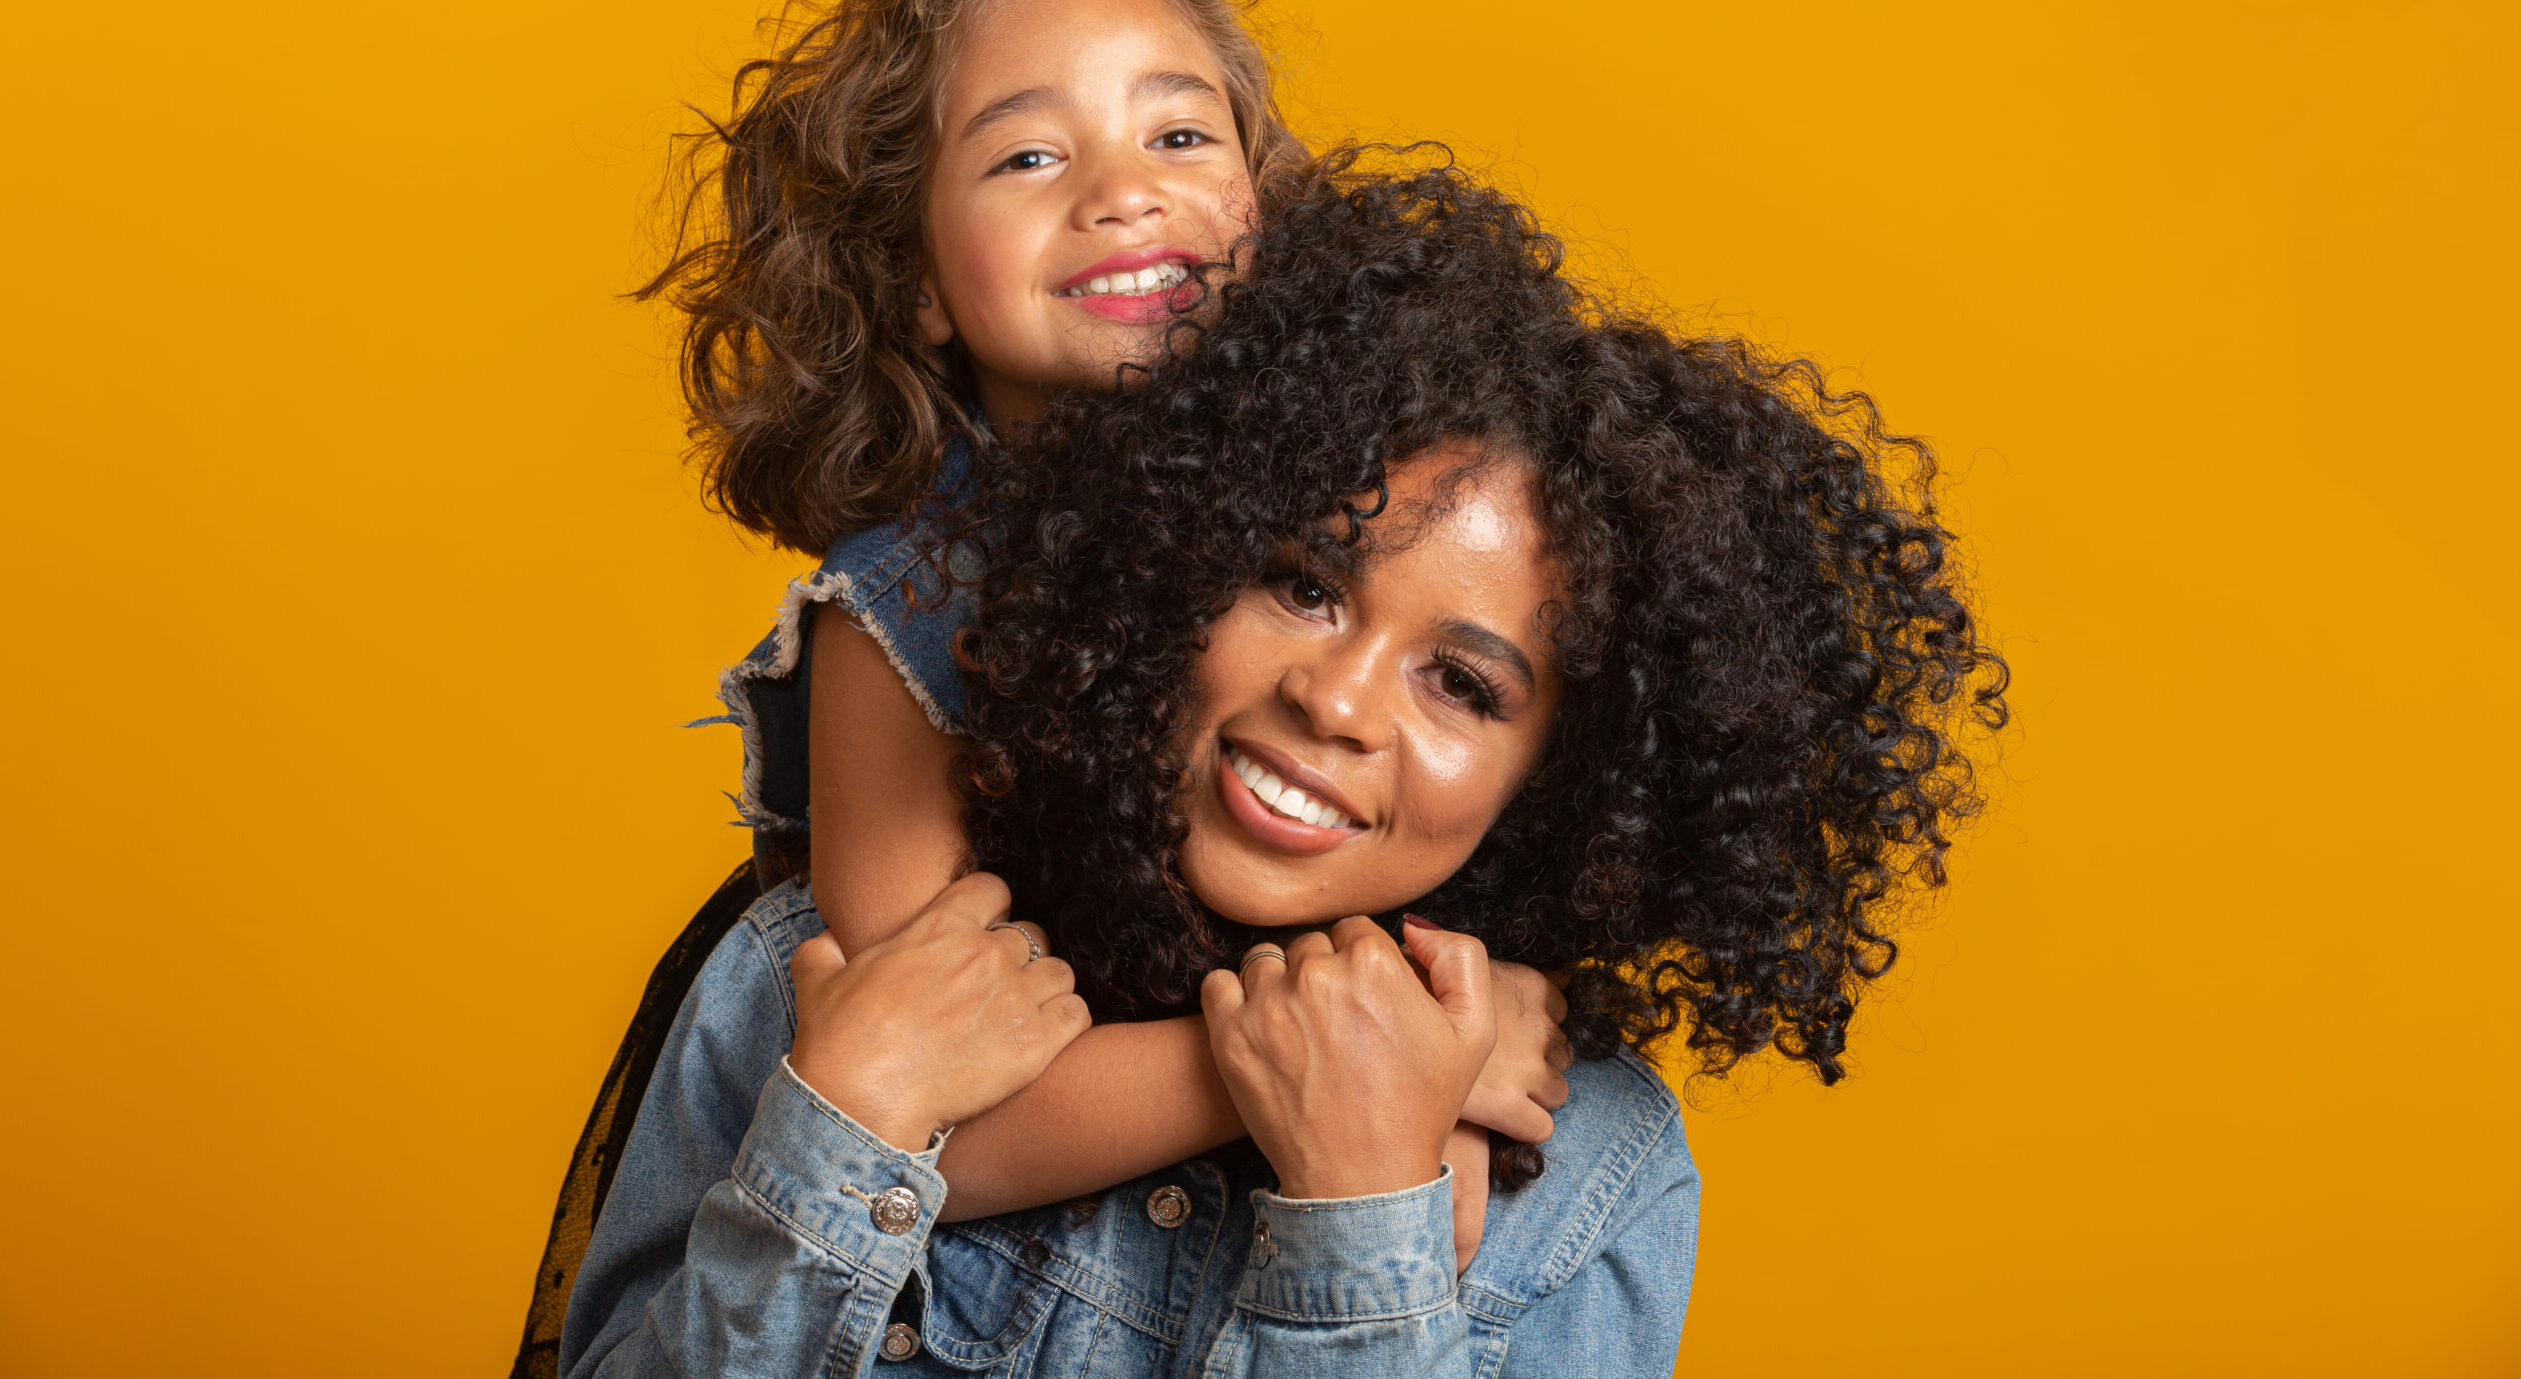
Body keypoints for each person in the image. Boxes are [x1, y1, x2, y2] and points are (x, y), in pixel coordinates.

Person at [561, 157, 2011, 1375]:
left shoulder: (1588, 1173)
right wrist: (846, 1132)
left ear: (1564, 785)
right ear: (1171, 560)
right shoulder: (826, 984)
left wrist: (1362, 1206)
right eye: (1304, 585)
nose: (1335, 697)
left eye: (1462, 683)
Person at [633, 0, 1568, 1247]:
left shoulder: (1345, 527)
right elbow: (916, 1115)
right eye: (1027, 155)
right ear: (918, 282)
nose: (1123, 192)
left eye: (1180, 137)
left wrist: (1473, 1013)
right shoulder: (905, 601)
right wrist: (1340, 1064)